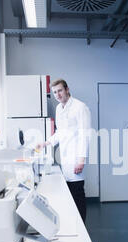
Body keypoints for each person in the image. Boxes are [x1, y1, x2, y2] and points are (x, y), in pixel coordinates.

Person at [36, 79, 91, 223]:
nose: (58, 94)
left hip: (76, 158)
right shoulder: (59, 109)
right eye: (54, 92)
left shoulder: (80, 107)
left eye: (60, 90)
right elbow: (60, 132)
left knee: (77, 192)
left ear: (67, 89)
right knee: (69, 193)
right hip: (65, 158)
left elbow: (85, 134)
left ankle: (81, 225)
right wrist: (46, 142)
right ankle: (74, 222)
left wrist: (81, 160)